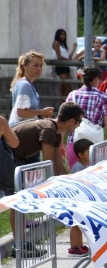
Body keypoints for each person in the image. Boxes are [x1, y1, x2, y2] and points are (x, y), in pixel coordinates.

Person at [10, 102, 83, 248]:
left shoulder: (54, 131)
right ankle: (19, 244)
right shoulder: (49, 130)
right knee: (16, 201)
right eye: (79, 121)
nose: (79, 126)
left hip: (15, 157)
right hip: (7, 156)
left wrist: (70, 182)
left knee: (19, 201)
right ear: (72, 121)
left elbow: (58, 164)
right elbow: (48, 165)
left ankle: (21, 243)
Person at [64, 65, 107, 169]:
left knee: (75, 178)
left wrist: (60, 143)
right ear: (96, 78)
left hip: (73, 143)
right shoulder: (103, 97)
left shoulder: (72, 95)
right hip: (94, 146)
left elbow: (64, 120)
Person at [9, 51, 54, 128]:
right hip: (18, 128)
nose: (39, 69)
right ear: (25, 66)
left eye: (41, 65)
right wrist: (41, 111)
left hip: (24, 126)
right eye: (36, 65)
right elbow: (21, 112)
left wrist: (41, 114)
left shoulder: (28, 84)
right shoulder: (24, 84)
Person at [52, 29, 77, 96]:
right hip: (60, 67)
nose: (63, 36)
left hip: (66, 67)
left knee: (63, 89)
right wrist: (68, 60)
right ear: (58, 35)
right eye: (61, 34)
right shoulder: (56, 43)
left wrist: (74, 49)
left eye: (64, 35)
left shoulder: (63, 45)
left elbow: (68, 57)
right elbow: (59, 57)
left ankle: (62, 104)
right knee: (69, 89)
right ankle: (68, 104)